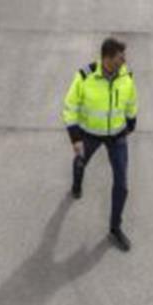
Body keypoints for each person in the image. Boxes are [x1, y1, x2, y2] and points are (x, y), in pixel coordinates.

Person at [61, 37, 138, 251]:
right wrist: (75, 138)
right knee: (80, 162)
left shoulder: (126, 76)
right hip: (90, 134)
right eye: (120, 57)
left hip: (117, 136)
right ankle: (77, 184)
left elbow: (131, 100)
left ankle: (115, 227)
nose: (124, 61)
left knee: (122, 184)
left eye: (124, 57)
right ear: (107, 57)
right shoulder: (85, 76)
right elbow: (70, 107)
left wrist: (131, 122)